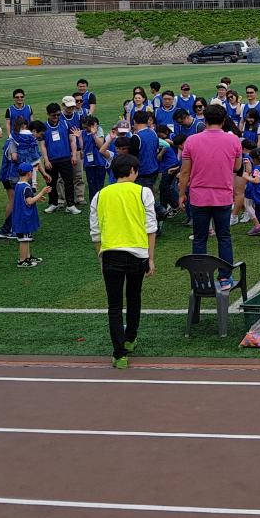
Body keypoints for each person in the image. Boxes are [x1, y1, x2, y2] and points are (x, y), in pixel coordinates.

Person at [90, 153, 157, 369]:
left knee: (114, 306)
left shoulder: (100, 195)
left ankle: (119, 355)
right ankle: (130, 338)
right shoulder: (143, 192)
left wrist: (101, 258)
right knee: (134, 297)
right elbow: (151, 228)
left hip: (110, 254)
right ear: (132, 171)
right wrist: (151, 258)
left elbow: (96, 233)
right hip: (138, 254)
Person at [177, 104, 244, 291]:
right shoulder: (233, 140)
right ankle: (225, 278)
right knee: (224, 237)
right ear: (223, 121)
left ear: (205, 120)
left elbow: (185, 172)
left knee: (200, 239)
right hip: (223, 196)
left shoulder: (192, 141)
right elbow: (236, 167)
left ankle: (201, 279)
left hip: (199, 197)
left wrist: (181, 194)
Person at [10, 161, 47, 268]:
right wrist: (42, 193)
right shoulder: (26, 187)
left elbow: (25, 199)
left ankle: (28, 256)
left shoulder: (18, 185)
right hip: (24, 217)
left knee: (26, 238)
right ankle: (22, 261)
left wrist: (37, 197)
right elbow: (29, 201)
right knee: (24, 240)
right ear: (29, 173)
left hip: (20, 216)